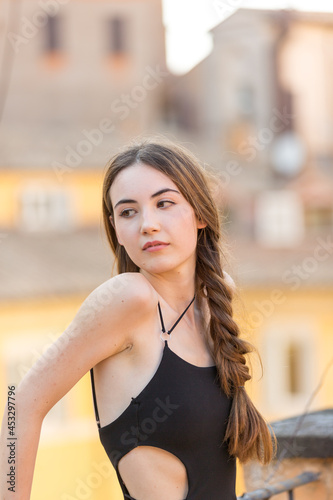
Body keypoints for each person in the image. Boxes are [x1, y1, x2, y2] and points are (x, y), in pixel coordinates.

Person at [0, 137, 275, 500]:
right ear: (116, 228)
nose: (148, 224)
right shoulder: (128, 299)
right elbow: (21, 404)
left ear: (201, 214)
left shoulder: (214, 296)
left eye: (164, 204)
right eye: (128, 212)